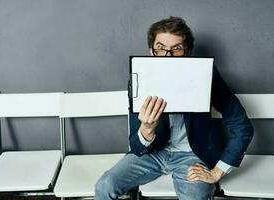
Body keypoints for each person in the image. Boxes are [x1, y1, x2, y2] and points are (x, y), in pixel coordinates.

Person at [95, 16, 254, 200]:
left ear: (187, 52)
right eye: (161, 48)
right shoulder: (140, 79)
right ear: (151, 51)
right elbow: (138, 147)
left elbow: (242, 127)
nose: (168, 55)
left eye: (177, 49)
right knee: (105, 186)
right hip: (151, 154)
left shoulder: (207, 76)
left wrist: (218, 172)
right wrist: (147, 129)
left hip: (192, 156)